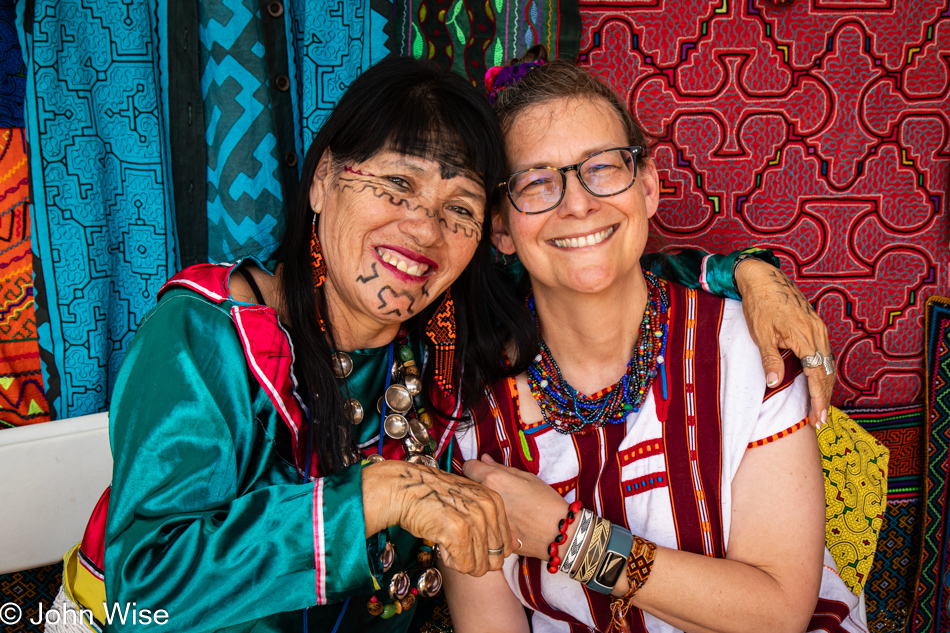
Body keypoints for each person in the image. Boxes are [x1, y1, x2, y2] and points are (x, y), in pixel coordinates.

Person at [49, 57, 833, 633]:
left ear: (482, 237)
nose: (421, 230)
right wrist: (380, 495)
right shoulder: (207, 336)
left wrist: (741, 271)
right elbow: (141, 590)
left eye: (456, 207)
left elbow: (586, 260)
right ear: (322, 180)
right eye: (395, 187)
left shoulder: (444, 345)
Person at [444, 57, 863, 633]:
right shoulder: (471, 416)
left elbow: (777, 614)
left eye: (603, 168)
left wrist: (574, 540)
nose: (577, 203)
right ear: (500, 228)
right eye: (536, 182)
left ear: (646, 187)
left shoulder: (747, 352)